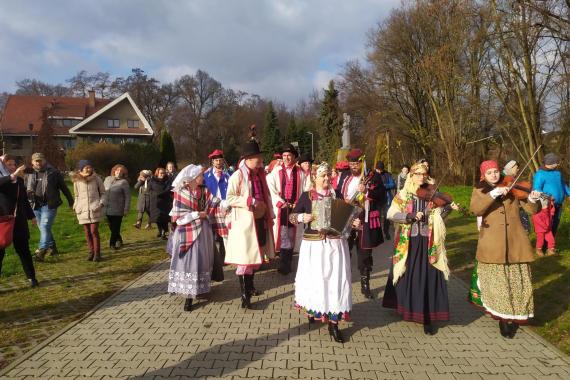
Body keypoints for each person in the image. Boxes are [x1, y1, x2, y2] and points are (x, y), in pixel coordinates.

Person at [382, 162, 456, 335]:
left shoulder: (433, 193)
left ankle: (427, 316)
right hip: (410, 242)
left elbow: (440, 217)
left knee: (430, 276)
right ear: (412, 175)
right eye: (418, 174)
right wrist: (409, 216)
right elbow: (391, 214)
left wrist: (448, 209)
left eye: (424, 174)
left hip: (429, 241)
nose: (422, 177)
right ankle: (408, 307)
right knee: (410, 275)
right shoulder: (403, 194)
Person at [469, 160, 540, 338]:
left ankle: (517, 315)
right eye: (489, 172)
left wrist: (532, 198)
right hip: (493, 244)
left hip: (516, 242)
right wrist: (493, 194)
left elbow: (531, 210)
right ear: (483, 175)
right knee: (499, 284)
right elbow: (476, 209)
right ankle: (503, 319)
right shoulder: (480, 190)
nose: (494, 175)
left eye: (495, 171)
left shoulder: (512, 186)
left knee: (518, 283)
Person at [289, 162, 353, 343]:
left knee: (335, 281)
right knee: (316, 280)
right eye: (322, 176)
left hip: (335, 245)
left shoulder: (337, 194)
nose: (326, 179)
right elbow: (292, 217)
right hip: (314, 246)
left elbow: (346, 218)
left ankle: (334, 323)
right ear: (314, 178)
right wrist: (303, 217)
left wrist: (352, 222)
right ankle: (313, 308)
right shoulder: (306, 196)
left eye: (328, 176)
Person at [225, 139, 275, 309]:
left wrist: (269, 212)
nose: (260, 161)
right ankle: (244, 296)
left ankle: (251, 287)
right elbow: (230, 198)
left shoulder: (260, 174)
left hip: (259, 220)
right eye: (257, 158)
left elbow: (266, 196)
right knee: (245, 259)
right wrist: (249, 200)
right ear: (248, 159)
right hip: (245, 224)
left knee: (256, 255)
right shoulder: (237, 176)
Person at [168, 164, 220, 312]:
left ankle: (200, 288)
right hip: (186, 232)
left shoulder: (204, 191)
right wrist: (198, 214)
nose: (203, 178)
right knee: (187, 262)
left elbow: (214, 204)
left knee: (201, 260)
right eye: (200, 175)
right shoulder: (181, 193)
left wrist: (223, 205)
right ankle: (188, 297)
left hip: (203, 232)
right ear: (192, 177)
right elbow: (178, 218)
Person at [336, 149, 386, 299]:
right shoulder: (345, 175)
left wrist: (367, 192)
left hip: (364, 220)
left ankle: (365, 285)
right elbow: (338, 193)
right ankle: (344, 282)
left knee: (364, 254)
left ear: (362, 162)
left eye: (356, 163)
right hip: (346, 220)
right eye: (351, 163)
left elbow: (381, 196)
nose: (353, 166)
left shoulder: (372, 176)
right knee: (344, 251)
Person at [25, 152, 74, 261]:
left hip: (49, 205)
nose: (38, 163)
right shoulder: (28, 173)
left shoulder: (53, 172)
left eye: (40, 160)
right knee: (43, 228)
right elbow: (24, 189)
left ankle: (41, 251)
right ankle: (52, 247)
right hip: (35, 205)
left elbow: (64, 188)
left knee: (45, 227)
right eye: (36, 161)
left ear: (44, 160)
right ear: (32, 162)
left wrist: (71, 202)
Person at [267, 143, 306, 275]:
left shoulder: (301, 172)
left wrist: (300, 204)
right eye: (284, 155)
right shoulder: (276, 171)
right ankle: (284, 264)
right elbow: (270, 187)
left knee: (293, 235)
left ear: (294, 157)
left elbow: (306, 190)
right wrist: (280, 202)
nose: (286, 158)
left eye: (289, 155)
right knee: (284, 234)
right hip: (282, 208)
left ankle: (289, 262)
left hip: (296, 207)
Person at [0, 155, 39, 287]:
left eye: (13, 165)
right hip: (3, 221)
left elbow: (23, 201)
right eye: (8, 165)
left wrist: (31, 216)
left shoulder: (20, 181)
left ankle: (31, 277)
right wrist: (11, 177)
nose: (12, 167)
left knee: (24, 250)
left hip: (19, 220)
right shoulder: (3, 180)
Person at [203, 149, 230, 280]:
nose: (218, 162)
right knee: (212, 234)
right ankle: (215, 259)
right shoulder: (206, 175)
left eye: (220, 160)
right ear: (212, 162)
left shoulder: (228, 174)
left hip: (224, 207)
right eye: (215, 160)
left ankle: (227, 257)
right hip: (210, 207)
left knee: (225, 234)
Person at [71, 160, 106, 262]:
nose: (89, 169)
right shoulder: (77, 181)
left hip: (95, 208)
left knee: (94, 231)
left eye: (90, 167)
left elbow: (103, 193)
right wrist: (75, 205)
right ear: (81, 169)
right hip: (82, 210)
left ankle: (97, 253)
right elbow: (76, 195)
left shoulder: (97, 179)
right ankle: (91, 252)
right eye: (86, 167)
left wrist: (100, 204)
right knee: (87, 232)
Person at [532, 153, 570, 240]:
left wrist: (569, 193)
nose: (558, 164)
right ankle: (544, 244)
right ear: (551, 163)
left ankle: (551, 245)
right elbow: (536, 190)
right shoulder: (540, 174)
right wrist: (547, 197)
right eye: (557, 162)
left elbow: (563, 185)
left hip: (559, 204)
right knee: (547, 225)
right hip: (547, 205)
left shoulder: (557, 173)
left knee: (555, 223)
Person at [103, 165, 131, 250]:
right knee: (111, 227)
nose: (118, 172)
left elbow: (128, 197)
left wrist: (126, 209)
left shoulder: (124, 182)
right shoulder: (107, 179)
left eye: (121, 171)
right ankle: (119, 239)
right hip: (107, 208)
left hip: (118, 208)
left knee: (116, 227)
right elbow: (102, 191)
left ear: (123, 173)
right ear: (114, 171)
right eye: (117, 170)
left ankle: (112, 244)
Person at [502, 160, 531, 233]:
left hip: (517, 209)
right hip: (513, 211)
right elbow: (517, 193)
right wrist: (527, 194)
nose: (518, 169)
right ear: (510, 168)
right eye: (516, 167)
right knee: (522, 232)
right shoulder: (507, 178)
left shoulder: (511, 179)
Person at [375, 161, 396, 240]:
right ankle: (377, 234)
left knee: (386, 217)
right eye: (378, 169)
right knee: (377, 217)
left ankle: (386, 232)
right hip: (376, 200)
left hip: (386, 199)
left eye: (381, 170)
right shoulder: (373, 174)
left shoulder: (387, 175)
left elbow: (392, 184)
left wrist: (384, 186)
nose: (379, 171)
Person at [151, 167, 173, 240]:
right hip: (156, 202)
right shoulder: (153, 181)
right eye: (161, 173)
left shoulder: (167, 181)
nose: (162, 175)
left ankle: (163, 232)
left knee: (165, 219)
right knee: (157, 218)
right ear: (157, 174)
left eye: (163, 173)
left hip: (165, 201)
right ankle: (160, 230)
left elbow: (168, 189)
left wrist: (160, 193)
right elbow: (151, 189)